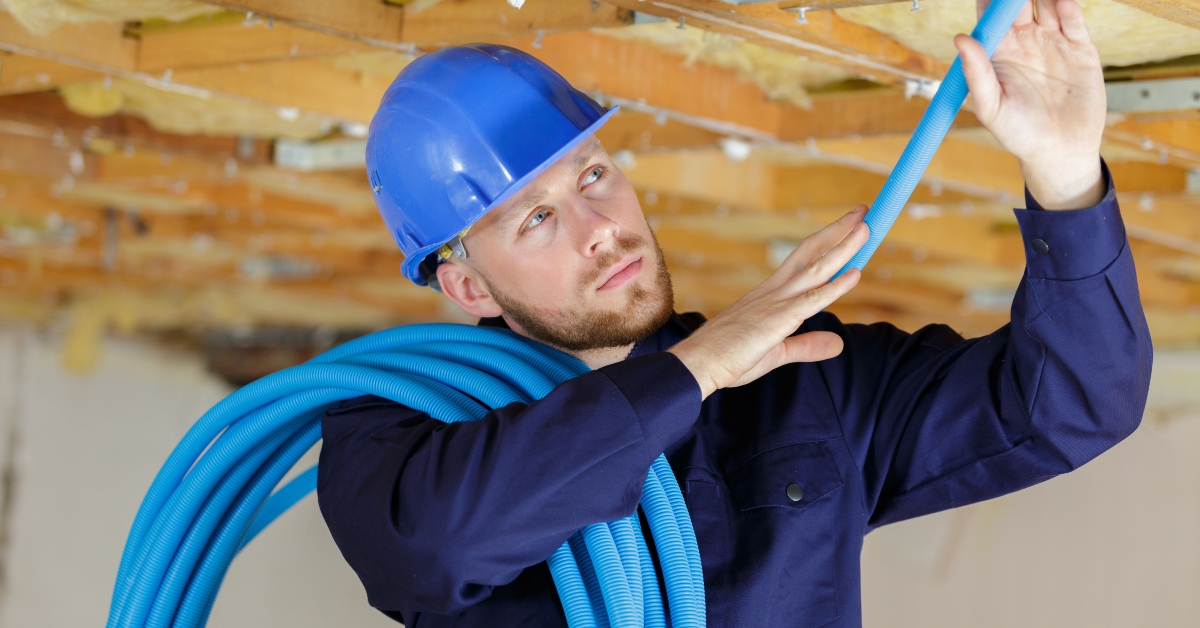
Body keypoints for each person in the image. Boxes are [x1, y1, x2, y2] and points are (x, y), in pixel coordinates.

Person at [318, 0, 1151, 625]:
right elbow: (434, 552)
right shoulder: (400, 430)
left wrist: (1065, 176)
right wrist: (699, 370)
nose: (602, 230)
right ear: (467, 287)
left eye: (593, 177)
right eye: (536, 219)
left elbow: (1068, 407)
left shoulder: (809, 379)